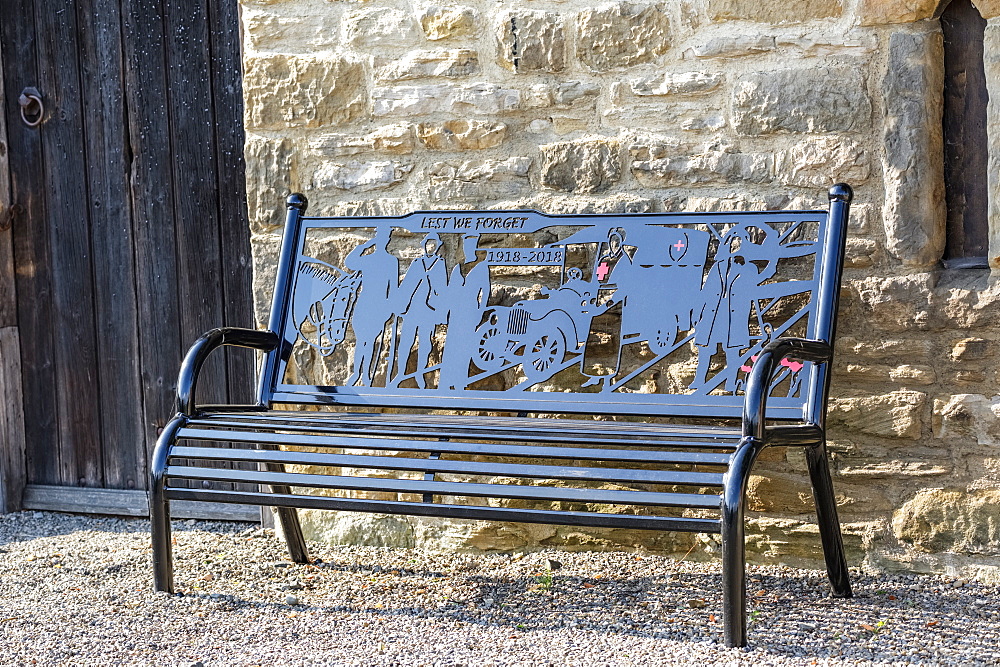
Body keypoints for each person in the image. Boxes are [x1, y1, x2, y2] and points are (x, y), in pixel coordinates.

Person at [390, 233, 448, 388]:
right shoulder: (417, 263)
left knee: (425, 343)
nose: (431, 248)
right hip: (412, 309)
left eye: (434, 245)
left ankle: (419, 374)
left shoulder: (439, 264)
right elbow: (407, 285)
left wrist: (441, 313)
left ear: (437, 247)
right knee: (405, 342)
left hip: (429, 310)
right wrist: (399, 305)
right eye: (428, 244)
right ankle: (401, 373)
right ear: (424, 246)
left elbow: (442, 289)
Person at [343, 227, 398, 386]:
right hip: (364, 303)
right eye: (378, 238)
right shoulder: (367, 259)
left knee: (370, 341)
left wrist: (389, 309)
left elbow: (393, 287)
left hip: (379, 304)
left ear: (388, 240)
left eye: (384, 238)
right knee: (361, 340)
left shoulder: (391, 262)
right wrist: (365, 246)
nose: (382, 241)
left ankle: (366, 375)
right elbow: (350, 262)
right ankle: (356, 374)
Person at [439, 234, 490, 390]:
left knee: (464, 346)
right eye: (466, 246)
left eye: (471, 246)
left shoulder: (481, 267)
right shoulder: (458, 268)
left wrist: (481, 312)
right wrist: (444, 313)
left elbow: (486, 291)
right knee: (452, 345)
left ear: (475, 247)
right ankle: (446, 382)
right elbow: (450, 293)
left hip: (470, 311)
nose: (468, 249)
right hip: (455, 312)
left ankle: (460, 381)